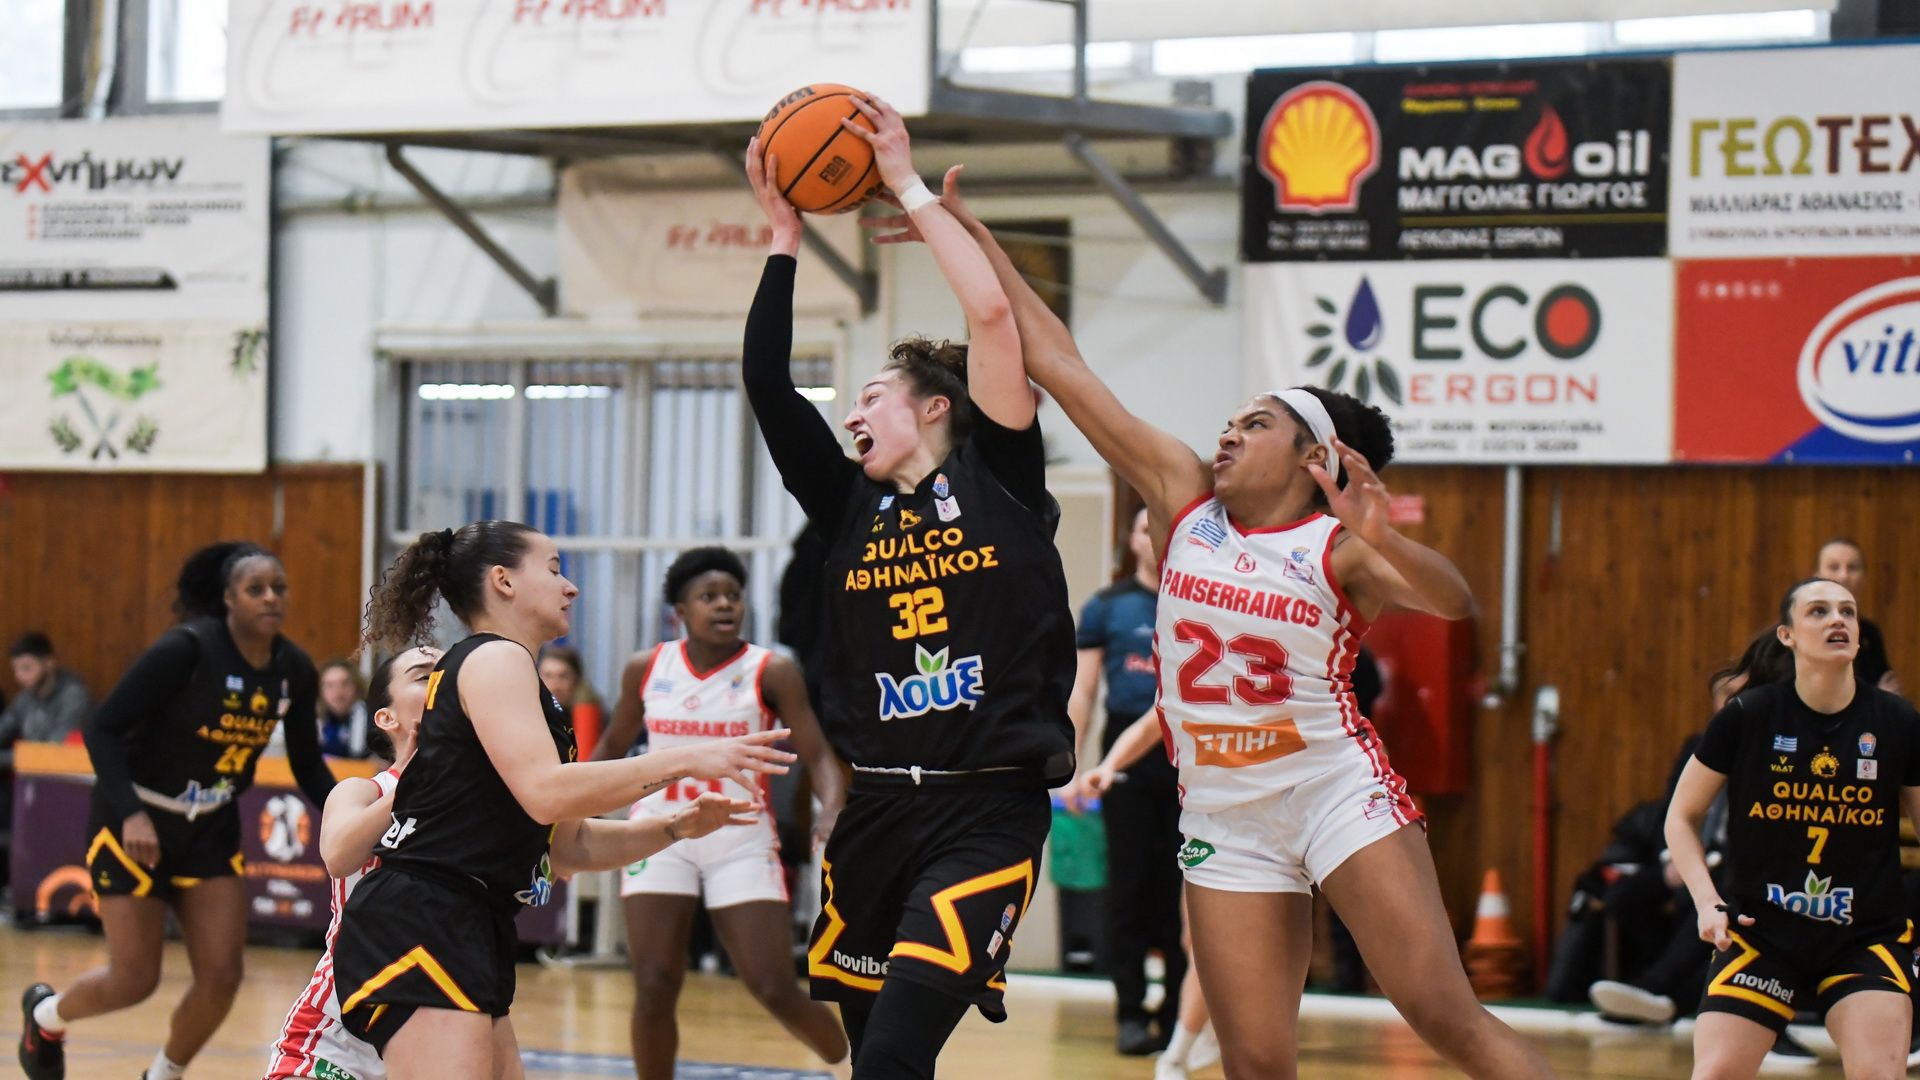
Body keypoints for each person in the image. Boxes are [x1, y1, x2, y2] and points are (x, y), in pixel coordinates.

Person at [893, 172, 1555, 1078]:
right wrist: (963, 229)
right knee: (1253, 1064)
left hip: (1331, 789)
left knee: (1446, 1017)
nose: (1229, 433)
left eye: (1257, 423)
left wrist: (1383, 532)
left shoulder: (1339, 548)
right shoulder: (1184, 500)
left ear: (1314, 457)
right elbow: (1058, 363)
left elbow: (1454, 601)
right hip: (1221, 813)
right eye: (1232, 420)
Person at [744, 95, 1078, 1078]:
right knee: (879, 1065)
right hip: (877, 812)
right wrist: (783, 238)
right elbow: (768, 383)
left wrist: (903, 182)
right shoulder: (848, 507)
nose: (851, 413)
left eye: (873, 396)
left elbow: (991, 314)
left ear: (937, 408)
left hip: (986, 812)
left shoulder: (999, 477)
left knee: (893, 1059)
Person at [330, 521, 795, 1079]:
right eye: (553, 569)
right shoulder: (492, 659)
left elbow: (569, 845)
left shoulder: (525, 684)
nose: (569, 586)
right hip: (427, 914)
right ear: (503, 581)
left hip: (474, 918)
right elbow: (545, 792)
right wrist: (687, 759)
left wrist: (675, 828)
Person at [18, 542, 338, 1080]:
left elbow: (307, 764)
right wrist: (131, 814)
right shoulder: (186, 650)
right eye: (256, 589)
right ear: (228, 598)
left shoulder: (294, 670)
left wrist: (352, 817)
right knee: (134, 979)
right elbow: (102, 730)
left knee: (222, 975)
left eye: (279, 588)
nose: (271, 597)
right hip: (135, 819)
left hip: (210, 826)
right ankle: (46, 1018)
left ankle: (162, 1075)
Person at [590, 546, 850, 1078]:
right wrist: (567, 812)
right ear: (681, 611)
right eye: (709, 596)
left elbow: (819, 753)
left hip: (740, 836)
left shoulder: (772, 670)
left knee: (771, 984)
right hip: (659, 833)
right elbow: (612, 747)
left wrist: (832, 808)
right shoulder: (646, 668)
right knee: (655, 983)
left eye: (733, 595)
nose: (725, 604)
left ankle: (854, 1061)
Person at [1667, 578, 1920, 1080]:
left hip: (1865, 936)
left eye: (1847, 611)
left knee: (1879, 1073)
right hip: (1761, 933)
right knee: (1715, 1073)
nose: (1838, 619)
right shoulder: (1748, 715)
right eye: (1819, 611)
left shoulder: (1896, 721)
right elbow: (1681, 817)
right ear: (1787, 635)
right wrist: (1706, 902)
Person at [264, 646, 440, 1080]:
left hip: (439, 1025)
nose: (443, 682)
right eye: (425, 675)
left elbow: (574, 844)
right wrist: (411, 783)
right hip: (341, 1029)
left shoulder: (483, 803)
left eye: (451, 672)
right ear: (387, 718)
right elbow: (338, 855)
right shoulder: (364, 792)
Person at [1062, 507, 1185, 1055]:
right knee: (1128, 888)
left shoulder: (1198, 599)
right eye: (1143, 528)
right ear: (1131, 541)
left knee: (1183, 893)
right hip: (1125, 759)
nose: (1154, 537)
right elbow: (1083, 691)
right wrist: (1071, 764)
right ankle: (1131, 1012)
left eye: (1163, 528)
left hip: (1190, 757)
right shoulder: (1107, 607)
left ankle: (1178, 1015)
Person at [1075, 711, 1220, 1080]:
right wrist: (1108, 766)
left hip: (1274, 816)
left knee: (1235, 941)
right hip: (1216, 823)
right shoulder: (1189, 688)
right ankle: (1178, 1053)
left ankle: (1208, 1033)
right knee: (1197, 937)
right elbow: (1148, 725)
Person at [1814, 539, 1900, 696]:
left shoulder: (1869, 633)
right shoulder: (1802, 629)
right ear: (1817, 576)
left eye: (1852, 568)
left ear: (1863, 577)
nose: (1844, 576)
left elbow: (1886, 690)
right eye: (1834, 567)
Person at [0, 633, 92, 767]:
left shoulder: (74, 696)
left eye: (26, 668)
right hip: (31, 772)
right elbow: (3, 727)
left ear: (49, 663)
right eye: (15, 669)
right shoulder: (25, 697)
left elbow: (50, 752)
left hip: (63, 772)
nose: (19, 676)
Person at [316, 660, 372, 759]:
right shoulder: (313, 717)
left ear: (357, 687)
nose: (337, 693)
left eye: (345, 684)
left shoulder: (375, 719)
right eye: (329, 685)